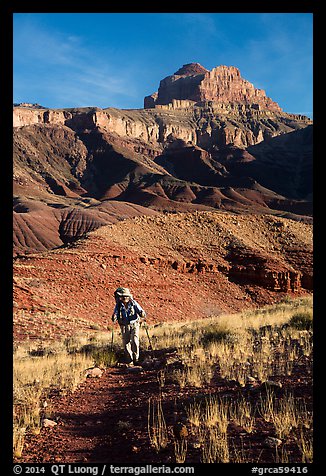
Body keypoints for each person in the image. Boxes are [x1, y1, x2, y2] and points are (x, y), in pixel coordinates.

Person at [111, 287, 146, 365]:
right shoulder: (119, 305)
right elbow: (115, 313)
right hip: (124, 325)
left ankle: (136, 358)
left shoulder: (133, 303)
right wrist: (114, 317)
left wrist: (142, 313)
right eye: (123, 297)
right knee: (126, 342)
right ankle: (129, 360)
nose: (125, 298)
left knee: (135, 340)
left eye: (126, 296)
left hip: (134, 324)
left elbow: (141, 311)